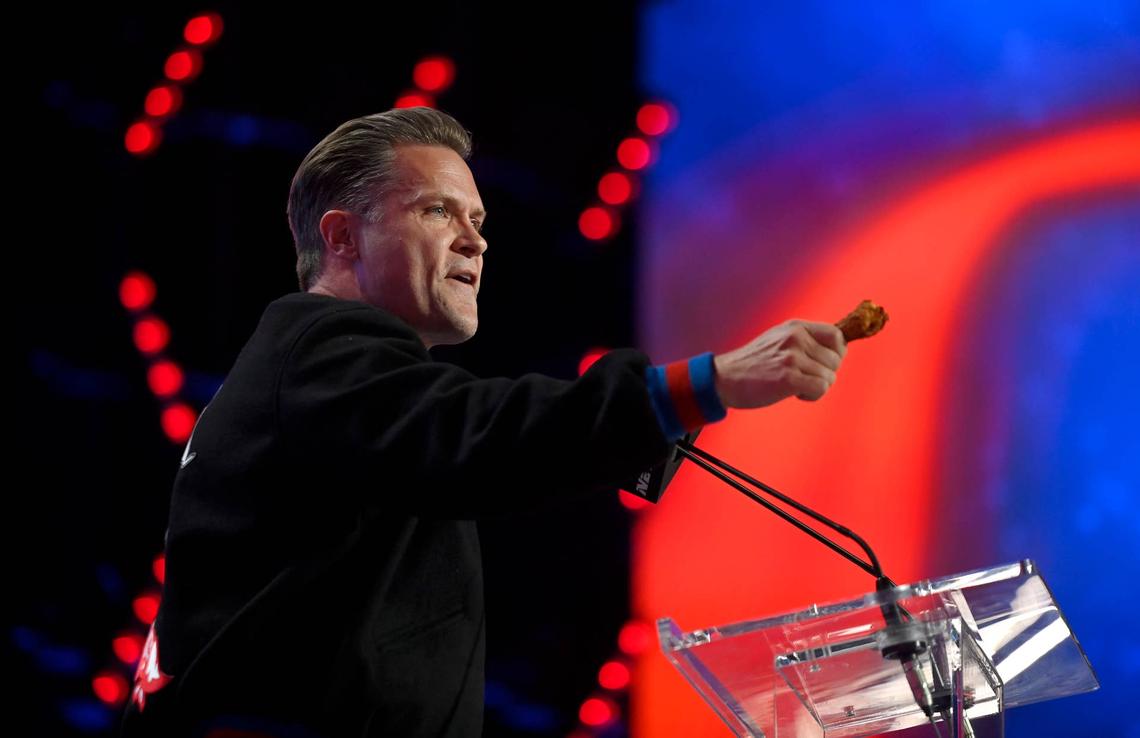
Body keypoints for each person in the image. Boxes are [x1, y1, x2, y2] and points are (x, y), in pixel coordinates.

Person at [120, 107, 846, 738]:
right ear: (342, 237)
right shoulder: (315, 348)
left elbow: (490, 459)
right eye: (438, 210)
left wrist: (657, 424)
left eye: (478, 221)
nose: (476, 240)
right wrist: (703, 384)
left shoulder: (339, 393)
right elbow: (482, 437)